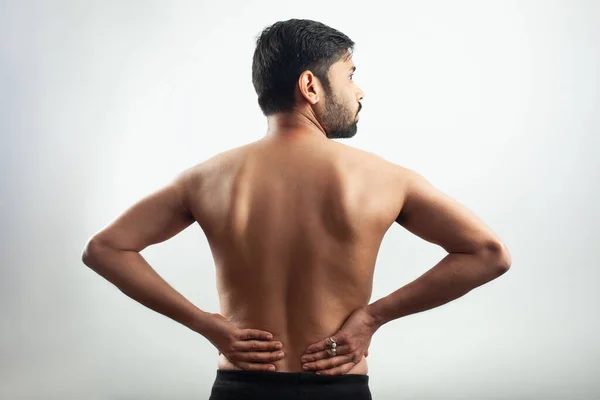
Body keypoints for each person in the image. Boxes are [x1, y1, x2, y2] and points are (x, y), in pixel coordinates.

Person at [81, 18, 512, 400]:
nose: (360, 91)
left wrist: (209, 325)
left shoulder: (207, 178)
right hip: (337, 385)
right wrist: (372, 318)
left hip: (241, 388)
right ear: (311, 86)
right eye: (351, 75)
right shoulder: (385, 178)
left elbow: (105, 249)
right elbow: (488, 254)